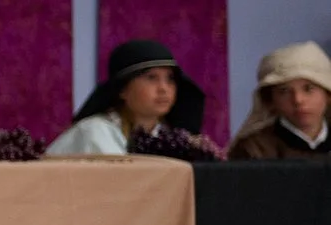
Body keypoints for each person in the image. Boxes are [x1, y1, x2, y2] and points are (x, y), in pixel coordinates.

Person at [49, 39, 208, 156]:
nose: (163, 89)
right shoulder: (95, 131)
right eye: (151, 78)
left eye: (170, 79)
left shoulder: (169, 136)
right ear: (122, 90)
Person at [228, 41, 331, 160]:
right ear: (270, 101)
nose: (298, 100)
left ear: (328, 95)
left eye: (308, 89)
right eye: (284, 91)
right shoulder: (254, 149)